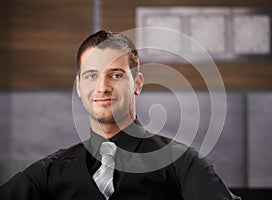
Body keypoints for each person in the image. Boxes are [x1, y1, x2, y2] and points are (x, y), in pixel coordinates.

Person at [0, 30, 241, 200]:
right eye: (91, 76)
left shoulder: (182, 164)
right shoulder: (48, 173)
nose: (102, 87)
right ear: (79, 86)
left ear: (137, 83)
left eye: (115, 75)